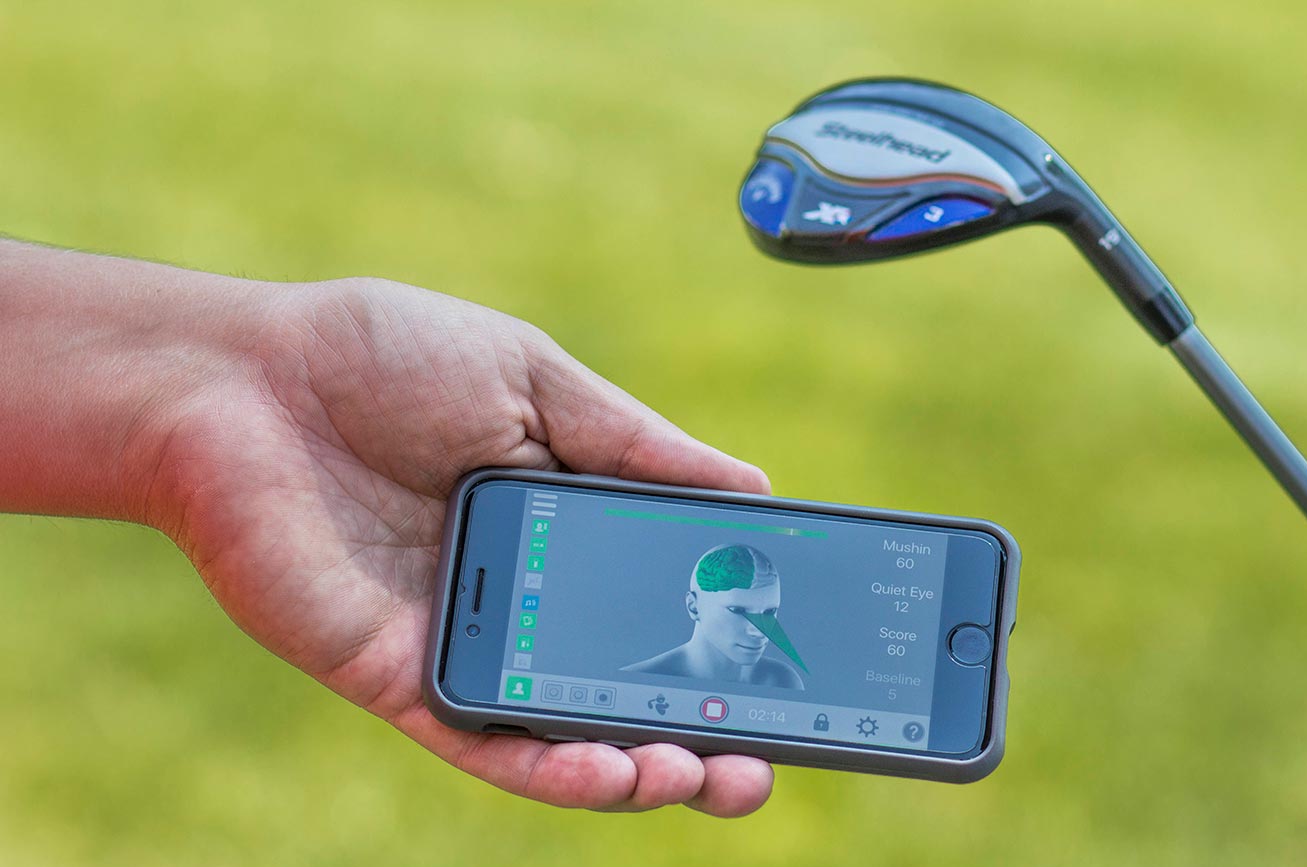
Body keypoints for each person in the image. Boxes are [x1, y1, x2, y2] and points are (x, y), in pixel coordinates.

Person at [0, 239, 775, 817]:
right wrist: (233, 385)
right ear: (695, 604)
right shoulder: (659, 672)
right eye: (747, 609)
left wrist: (227, 388)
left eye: (768, 614)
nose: (764, 633)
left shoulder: (768, 682)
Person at [623, 544, 805, 688]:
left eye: (769, 612)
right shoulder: (635, 680)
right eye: (738, 610)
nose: (759, 631)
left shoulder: (783, 681)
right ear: (693, 607)